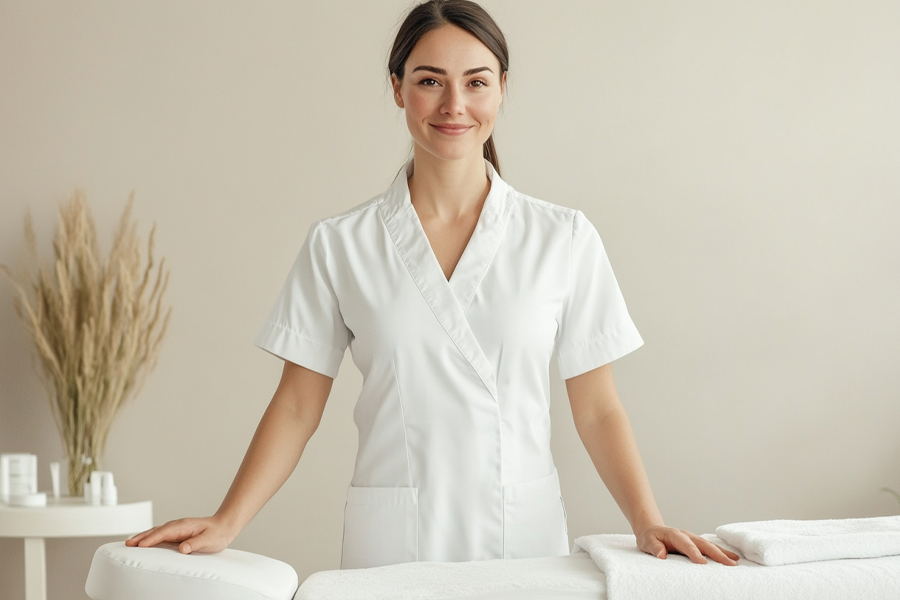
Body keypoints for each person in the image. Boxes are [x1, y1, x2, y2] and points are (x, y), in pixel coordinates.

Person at [127, 0, 739, 569]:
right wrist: (228, 521)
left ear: (501, 89)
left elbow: (598, 408)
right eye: (429, 80)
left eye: (476, 81)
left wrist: (645, 520)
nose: (454, 105)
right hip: (394, 541)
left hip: (519, 539)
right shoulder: (340, 244)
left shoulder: (563, 238)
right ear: (397, 89)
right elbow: (295, 406)